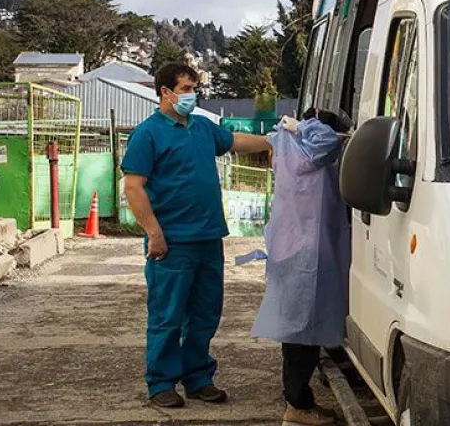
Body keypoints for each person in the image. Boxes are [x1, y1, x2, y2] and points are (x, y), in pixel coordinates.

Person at [121, 63, 274, 409]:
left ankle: (198, 377)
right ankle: (161, 382)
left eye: (194, 88)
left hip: (208, 238)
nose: (192, 94)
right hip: (172, 242)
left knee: (205, 312)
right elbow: (133, 187)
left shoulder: (201, 127)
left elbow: (235, 141)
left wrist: (273, 140)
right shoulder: (148, 134)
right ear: (165, 92)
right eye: (186, 88)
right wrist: (154, 233)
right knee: (168, 314)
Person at [250, 107, 353, 426]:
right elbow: (324, 140)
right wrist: (301, 126)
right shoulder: (312, 147)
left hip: (290, 248)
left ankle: (298, 400)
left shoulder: (288, 151)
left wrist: (295, 129)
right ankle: (297, 406)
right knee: (302, 334)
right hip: (307, 253)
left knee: (299, 329)